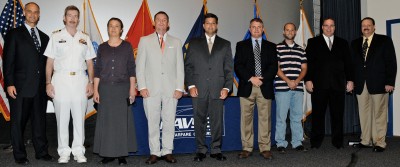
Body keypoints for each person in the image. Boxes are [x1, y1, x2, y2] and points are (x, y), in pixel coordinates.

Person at [44, 5, 96, 163]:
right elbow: (49, 62)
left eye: (75, 16)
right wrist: (48, 82)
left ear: (78, 19)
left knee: (79, 118)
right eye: (69, 15)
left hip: (80, 79)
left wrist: (91, 82)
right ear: (64, 18)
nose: (72, 18)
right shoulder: (55, 36)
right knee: (62, 118)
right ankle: (64, 152)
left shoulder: (84, 37)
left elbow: (90, 63)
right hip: (60, 80)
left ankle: (79, 150)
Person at [3, 2, 53, 165]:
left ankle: (41, 152)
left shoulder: (45, 38)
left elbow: (47, 65)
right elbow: (8, 61)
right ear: (24, 13)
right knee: (17, 123)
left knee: (39, 122)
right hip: (19, 88)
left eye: (36, 12)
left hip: (39, 89)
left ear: (39, 15)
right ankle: (19, 155)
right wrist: (9, 83)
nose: (32, 14)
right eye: (29, 11)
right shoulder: (14, 34)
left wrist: (48, 83)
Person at [136, 11, 184, 164]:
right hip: (150, 89)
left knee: (170, 121)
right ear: (154, 23)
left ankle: (168, 151)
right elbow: (140, 66)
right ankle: (155, 152)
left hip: (171, 89)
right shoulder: (144, 40)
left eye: (164, 20)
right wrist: (141, 86)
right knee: (153, 122)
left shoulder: (176, 42)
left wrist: (179, 87)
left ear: (168, 24)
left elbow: (180, 67)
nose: (162, 22)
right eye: (159, 20)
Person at [185, 13, 233, 162]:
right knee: (199, 120)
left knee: (217, 120)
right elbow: (188, 67)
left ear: (216, 26)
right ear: (204, 25)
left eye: (213, 23)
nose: (211, 26)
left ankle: (216, 149)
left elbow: (228, 69)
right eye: (208, 23)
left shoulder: (225, 44)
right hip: (198, 88)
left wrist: (227, 87)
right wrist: (191, 85)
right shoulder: (193, 43)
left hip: (218, 89)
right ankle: (201, 150)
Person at [92, 18, 137, 165]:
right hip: (105, 89)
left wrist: (132, 88)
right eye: (111, 26)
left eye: (117, 26)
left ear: (121, 29)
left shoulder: (127, 46)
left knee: (121, 122)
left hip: (122, 88)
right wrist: (95, 90)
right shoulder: (102, 47)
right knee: (106, 123)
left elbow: (131, 68)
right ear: (107, 28)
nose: (113, 28)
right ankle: (107, 154)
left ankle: (121, 154)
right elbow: (97, 70)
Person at [304, 18, 353, 149]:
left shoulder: (343, 43)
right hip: (319, 85)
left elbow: (348, 63)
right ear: (322, 27)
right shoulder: (313, 42)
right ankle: (316, 142)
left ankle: (338, 142)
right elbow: (308, 63)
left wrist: (350, 80)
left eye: (331, 26)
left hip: (338, 85)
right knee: (318, 115)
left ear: (335, 27)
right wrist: (307, 80)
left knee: (337, 115)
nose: (329, 28)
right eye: (326, 25)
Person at [351, 17, 397, 152]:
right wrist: (351, 81)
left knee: (379, 114)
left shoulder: (384, 41)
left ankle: (379, 142)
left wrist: (390, 82)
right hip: (360, 84)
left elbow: (391, 62)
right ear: (361, 28)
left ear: (374, 27)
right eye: (363, 25)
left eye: (369, 25)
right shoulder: (354, 43)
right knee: (363, 114)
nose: (366, 27)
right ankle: (365, 140)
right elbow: (351, 65)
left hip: (379, 83)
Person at [234, 18, 277, 160]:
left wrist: (261, 79)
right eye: (254, 27)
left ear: (263, 29)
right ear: (249, 29)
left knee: (265, 119)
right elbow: (238, 65)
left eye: (259, 27)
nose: (256, 29)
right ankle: (247, 147)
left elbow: (273, 67)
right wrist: (251, 78)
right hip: (247, 86)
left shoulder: (271, 46)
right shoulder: (241, 45)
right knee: (246, 119)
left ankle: (265, 148)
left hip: (265, 86)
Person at [274, 23, 308, 153]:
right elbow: (276, 68)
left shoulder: (301, 49)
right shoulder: (277, 48)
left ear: (295, 32)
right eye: (287, 30)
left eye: (292, 30)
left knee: (296, 117)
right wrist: (288, 81)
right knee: (281, 118)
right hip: (282, 88)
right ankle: (281, 143)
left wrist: (297, 81)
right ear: (284, 32)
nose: (289, 32)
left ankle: (297, 142)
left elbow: (304, 68)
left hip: (298, 88)